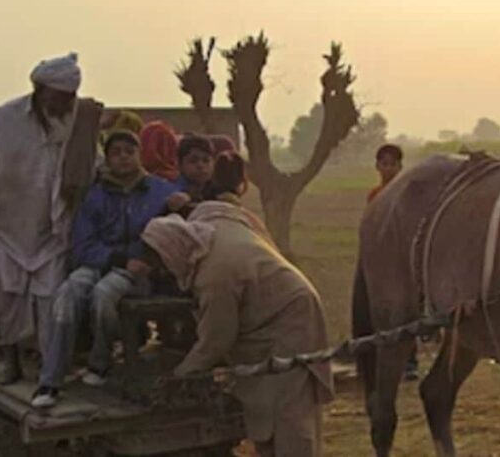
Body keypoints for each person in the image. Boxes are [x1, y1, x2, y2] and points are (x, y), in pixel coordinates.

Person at [141, 158, 332, 457]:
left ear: (174, 251)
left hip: (292, 320)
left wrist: (180, 374)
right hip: (269, 319)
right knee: (266, 410)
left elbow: (217, 338)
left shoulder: (214, 275)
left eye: (162, 262)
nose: (163, 271)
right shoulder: (209, 229)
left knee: (291, 416)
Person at [0, 53, 100, 385]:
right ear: (39, 89)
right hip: (5, 228)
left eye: (69, 98)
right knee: (2, 299)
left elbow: (92, 166)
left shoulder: (79, 122)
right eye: (58, 97)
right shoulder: (4, 119)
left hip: (54, 230)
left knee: (51, 303)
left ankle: (49, 368)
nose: (64, 104)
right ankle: (11, 361)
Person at [31, 130, 176, 407]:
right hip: (101, 262)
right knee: (68, 293)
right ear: (107, 159)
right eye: (116, 152)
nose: (123, 157)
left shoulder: (158, 190)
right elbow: (82, 245)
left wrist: (181, 200)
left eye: (129, 151)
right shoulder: (94, 195)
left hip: (139, 272)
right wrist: (117, 259)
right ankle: (50, 381)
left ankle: (100, 361)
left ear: (139, 155)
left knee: (103, 294)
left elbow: (171, 224)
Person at [365, 144, 419, 380]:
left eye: (392, 164)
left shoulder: (406, 195)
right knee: (383, 312)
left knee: (407, 311)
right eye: (383, 164)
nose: (388, 168)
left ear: (400, 167)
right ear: (377, 166)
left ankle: (410, 362)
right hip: (382, 260)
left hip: (402, 259)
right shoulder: (375, 196)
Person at [166, 134, 216, 215]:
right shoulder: (171, 194)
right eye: (193, 161)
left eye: (206, 160)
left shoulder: (219, 193)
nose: (200, 165)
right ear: (180, 165)